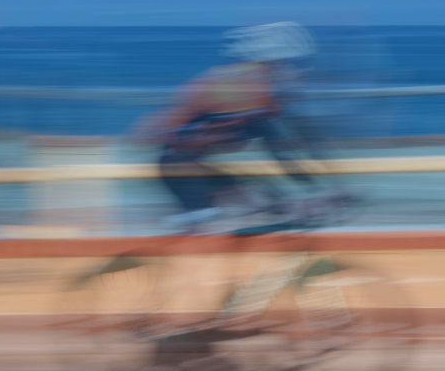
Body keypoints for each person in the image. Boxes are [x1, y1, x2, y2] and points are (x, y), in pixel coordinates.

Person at [136, 22, 327, 232]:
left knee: (256, 203)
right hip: (179, 165)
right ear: (273, 65)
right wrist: (313, 187)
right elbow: (277, 148)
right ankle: (194, 223)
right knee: (235, 212)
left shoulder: (251, 90)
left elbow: (279, 147)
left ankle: (202, 220)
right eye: (297, 65)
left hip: (189, 162)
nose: (304, 73)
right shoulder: (251, 93)